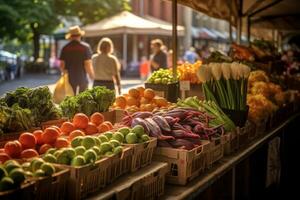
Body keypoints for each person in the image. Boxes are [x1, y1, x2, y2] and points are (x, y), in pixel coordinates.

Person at [59, 26, 94, 94]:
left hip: (69, 78)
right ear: (80, 35)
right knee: (83, 99)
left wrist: (64, 74)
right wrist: (92, 76)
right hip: (82, 78)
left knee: (71, 100)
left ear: (70, 36)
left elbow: (62, 65)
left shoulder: (65, 48)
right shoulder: (85, 47)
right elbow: (87, 64)